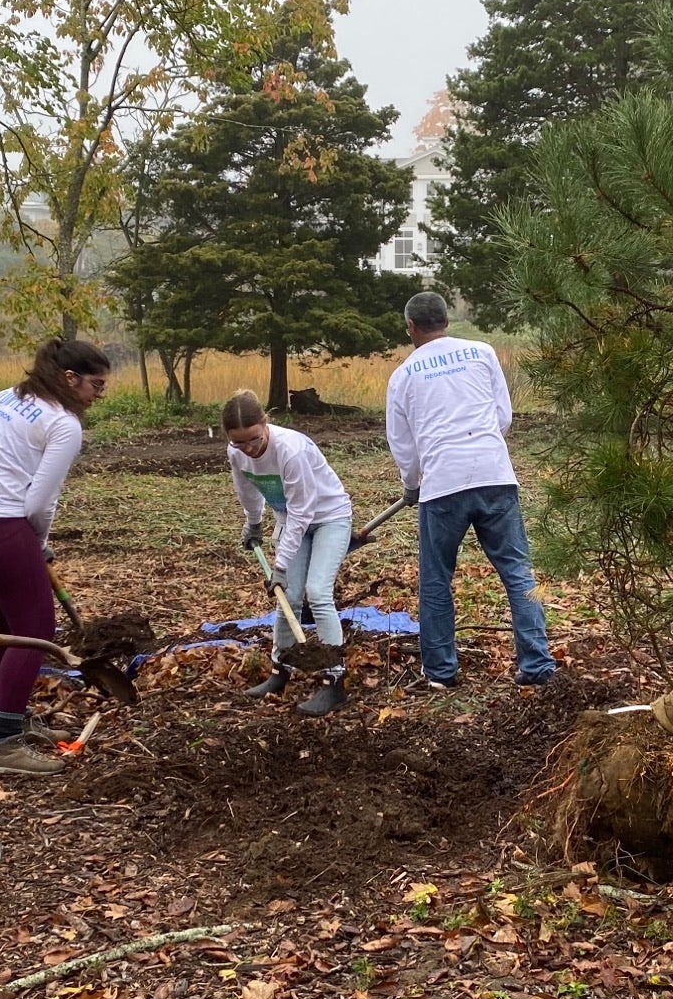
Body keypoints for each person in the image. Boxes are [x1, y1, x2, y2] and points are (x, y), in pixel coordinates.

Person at [0, 337, 111, 773]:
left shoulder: (10, 397)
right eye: (96, 383)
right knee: (36, 627)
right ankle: (4, 746)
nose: (100, 392)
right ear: (70, 378)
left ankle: (11, 716)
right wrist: (35, 542)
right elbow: (39, 503)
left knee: (4, 626)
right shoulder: (64, 425)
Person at [385, 290, 555, 689]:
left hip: (442, 486)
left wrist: (412, 485)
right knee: (517, 572)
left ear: (410, 327)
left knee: (436, 579)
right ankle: (537, 666)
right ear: (446, 320)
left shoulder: (403, 376)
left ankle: (442, 672)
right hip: (495, 476)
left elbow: (403, 446)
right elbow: (502, 417)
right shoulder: (481, 352)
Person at [224, 391, 353, 716]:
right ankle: (280, 671)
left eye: (254, 439)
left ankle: (333, 683)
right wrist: (253, 524)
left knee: (317, 592)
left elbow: (301, 511)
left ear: (265, 423)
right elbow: (247, 490)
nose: (249, 450)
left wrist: (280, 564)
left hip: (328, 518)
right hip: (291, 518)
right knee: (288, 596)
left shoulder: (290, 450)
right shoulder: (237, 453)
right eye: (240, 444)